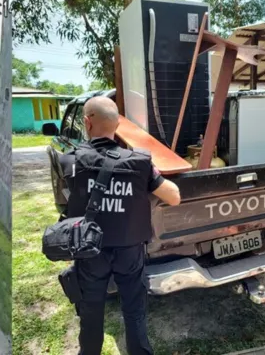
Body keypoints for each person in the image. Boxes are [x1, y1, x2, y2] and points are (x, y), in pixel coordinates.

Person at [58, 97, 181, 355]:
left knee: (91, 314)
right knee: (134, 312)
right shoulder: (140, 162)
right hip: (129, 251)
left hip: (90, 252)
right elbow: (174, 196)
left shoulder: (70, 161)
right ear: (117, 125)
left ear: (87, 122)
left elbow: (68, 203)